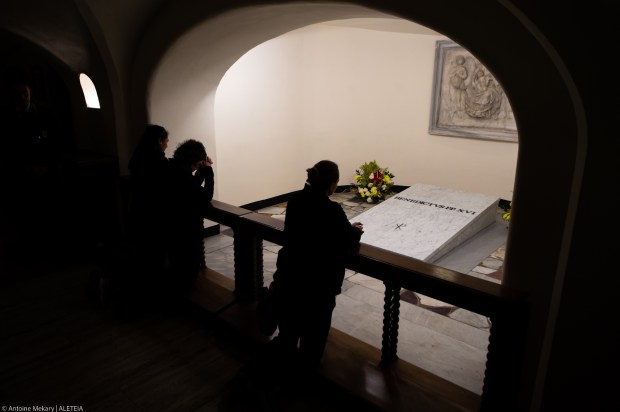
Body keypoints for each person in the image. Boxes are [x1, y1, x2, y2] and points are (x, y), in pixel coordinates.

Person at [271, 160, 364, 378]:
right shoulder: (331, 209)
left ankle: (281, 376)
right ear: (332, 184)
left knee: (289, 332)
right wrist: (356, 231)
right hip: (318, 286)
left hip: (290, 277)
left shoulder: (295, 200)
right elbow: (346, 239)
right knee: (313, 340)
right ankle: (303, 383)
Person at [164, 139, 214, 297]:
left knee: (177, 264)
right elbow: (205, 196)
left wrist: (202, 170)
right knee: (188, 269)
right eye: (198, 163)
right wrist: (209, 173)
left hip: (173, 226)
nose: (198, 166)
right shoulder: (182, 175)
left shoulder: (173, 167)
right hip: (186, 229)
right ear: (193, 160)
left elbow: (191, 186)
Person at [126, 124, 171, 288]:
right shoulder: (158, 161)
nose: (167, 144)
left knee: (144, 252)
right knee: (157, 253)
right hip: (155, 215)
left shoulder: (138, 157)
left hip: (138, 210)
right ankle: (157, 290)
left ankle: (144, 286)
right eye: (166, 141)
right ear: (159, 141)